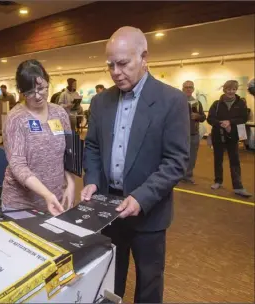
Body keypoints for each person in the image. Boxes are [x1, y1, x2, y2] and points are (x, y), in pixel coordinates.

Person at [81, 26, 189, 303]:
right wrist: (92, 179)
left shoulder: (172, 100)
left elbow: (176, 161)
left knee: (149, 281)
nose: (116, 71)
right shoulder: (100, 101)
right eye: (110, 65)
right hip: (108, 208)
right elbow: (92, 146)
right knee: (109, 278)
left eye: (123, 63)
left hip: (149, 211)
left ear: (144, 58)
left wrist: (141, 197)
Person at [2, 59, 75, 215]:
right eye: (29, 92)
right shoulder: (16, 119)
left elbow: (69, 153)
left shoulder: (59, 113)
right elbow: (17, 165)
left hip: (56, 199)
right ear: (21, 92)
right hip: (22, 205)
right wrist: (46, 194)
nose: (37, 96)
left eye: (41, 88)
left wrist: (71, 184)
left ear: (47, 82)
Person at [207, 80, 251, 197]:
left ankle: (238, 187)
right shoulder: (216, 104)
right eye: (228, 89)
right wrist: (221, 123)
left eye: (233, 89)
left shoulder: (241, 103)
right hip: (218, 136)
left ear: (236, 90)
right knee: (218, 160)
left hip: (233, 136)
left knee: (235, 161)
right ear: (224, 90)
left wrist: (230, 122)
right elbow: (210, 119)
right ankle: (218, 181)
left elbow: (243, 118)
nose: (231, 91)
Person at [182, 80, 206, 184]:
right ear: (183, 89)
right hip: (180, 134)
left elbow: (203, 117)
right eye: (186, 87)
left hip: (193, 133)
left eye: (190, 87)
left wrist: (198, 116)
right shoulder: (178, 100)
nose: (188, 89)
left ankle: (188, 175)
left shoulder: (197, 103)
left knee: (192, 156)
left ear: (193, 89)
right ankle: (177, 175)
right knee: (179, 155)